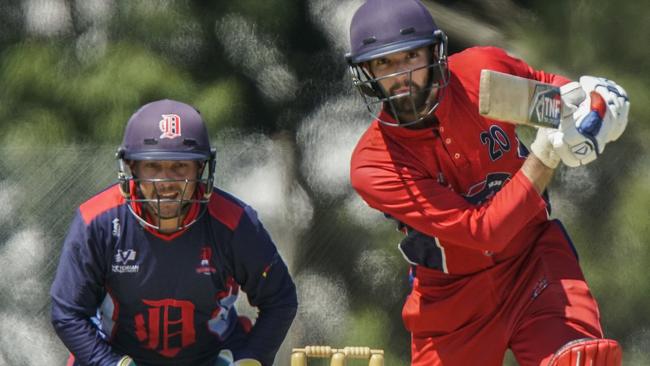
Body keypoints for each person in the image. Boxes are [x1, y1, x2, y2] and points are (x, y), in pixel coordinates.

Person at [345, 0, 629, 365]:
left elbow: (562, 102)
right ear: (365, 71)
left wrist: (600, 106)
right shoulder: (375, 163)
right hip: (451, 302)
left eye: (410, 56)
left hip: (534, 264)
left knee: (580, 361)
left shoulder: (481, 71)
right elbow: (483, 232)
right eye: (384, 62)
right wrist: (544, 157)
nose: (400, 75)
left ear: (435, 51)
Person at [50, 99, 297, 366]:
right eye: (153, 167)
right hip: (119, 356)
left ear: (201, 168)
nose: (166, 182)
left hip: (214, 358)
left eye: (180, 166)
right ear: (131, 168)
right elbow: (68, 312)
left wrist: (251, 359)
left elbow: (280, 299)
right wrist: (108, 363)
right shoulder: (96, 221)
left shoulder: (234, 222)